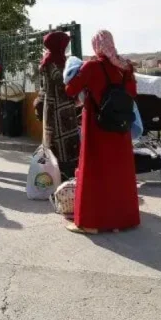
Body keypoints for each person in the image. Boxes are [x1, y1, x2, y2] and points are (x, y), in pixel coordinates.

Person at [65, 30, 140, 234]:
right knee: (119, 173)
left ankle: (91, 223)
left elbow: (71, 89)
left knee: (94, 173)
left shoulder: (92, 66)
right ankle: (122, 220)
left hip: (97, 127)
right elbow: (132, 92)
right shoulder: (125, 67)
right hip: (120, 127)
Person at [38, 31, 80, 180]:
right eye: (65, 44)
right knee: (60, 142)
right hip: (57, 110)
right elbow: (61, 83)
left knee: (65, 142)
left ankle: (65, 175)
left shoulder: (53, 60)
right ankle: (62, 176)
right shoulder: (52, 63)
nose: (67, 47)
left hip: (62, 108)